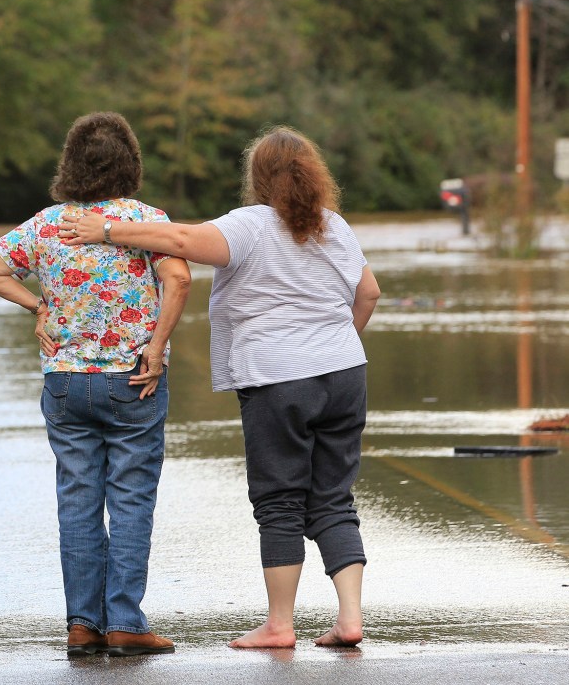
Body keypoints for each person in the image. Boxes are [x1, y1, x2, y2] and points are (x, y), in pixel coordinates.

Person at [59, 125, 381, 649]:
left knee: (279, 499)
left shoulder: (250, 226)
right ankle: (349, 619)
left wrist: (107, 230)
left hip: (278, 378)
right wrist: (332, 346)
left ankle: (280, 625)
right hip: (344, 373)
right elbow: (368, 292)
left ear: (256, 176)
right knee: (333, 496)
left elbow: (181, 241)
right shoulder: (333, 226)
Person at [0, 112, 191, 657]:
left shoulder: (47, 224)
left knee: (78, 500)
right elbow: (179, 277)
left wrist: (37, 305)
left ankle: (82, 625)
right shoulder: (145, 220)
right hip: (131, 380)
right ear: (131, 162)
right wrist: (157, 348)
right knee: (132, 498)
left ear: (68, 163)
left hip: (66, 383)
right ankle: (125, 622)